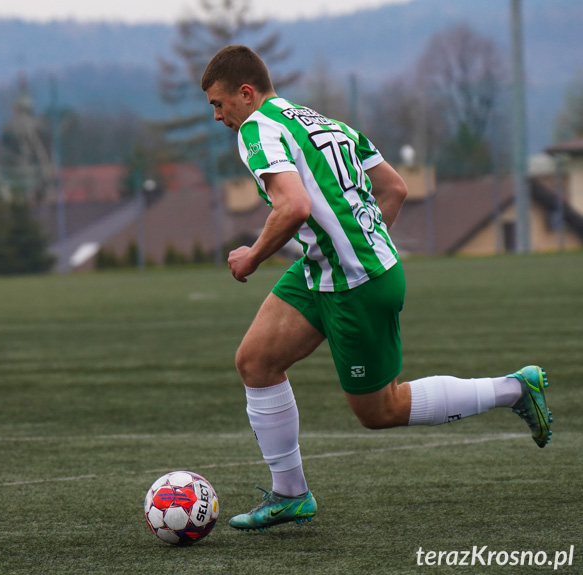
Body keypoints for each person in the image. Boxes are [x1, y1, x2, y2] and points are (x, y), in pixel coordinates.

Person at [200, 45, 552, 532]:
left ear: (245, 93)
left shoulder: (257, 129)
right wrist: (361, 240)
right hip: (326, 267)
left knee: (379, 410)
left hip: (356, 284)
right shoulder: (318, 119)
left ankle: (513, 389)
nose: (217, 116)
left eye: (219, 104)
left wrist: (252, 255)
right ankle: (290, 494)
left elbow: (294, 207)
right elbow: (395, 188)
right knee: (256, 362)